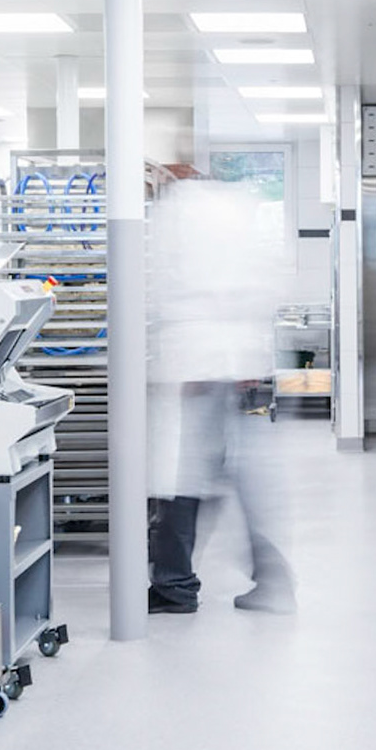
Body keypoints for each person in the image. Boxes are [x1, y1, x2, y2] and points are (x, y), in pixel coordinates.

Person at [143, 163, 298, 613]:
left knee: (182, 474)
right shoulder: (239, 205)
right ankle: (266, 578)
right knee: (231, 471)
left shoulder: (179, 209)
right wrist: (248, 343)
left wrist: (184, 356)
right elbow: (269, 278)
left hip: (196, 362)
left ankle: (175, 585)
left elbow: (166, 286)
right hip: (233, 358)